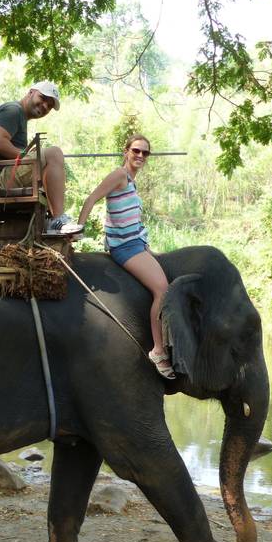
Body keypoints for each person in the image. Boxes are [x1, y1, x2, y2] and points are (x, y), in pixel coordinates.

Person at [74, 134, 175, 379]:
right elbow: (91, 199)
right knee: (162, 289)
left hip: (137, 243)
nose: (140, 156)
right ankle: (158, 350)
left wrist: (147, 247)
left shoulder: (132, 180)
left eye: (145, 153)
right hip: (124, 247)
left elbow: (132, 219)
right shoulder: (119, 175)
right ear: (126, 151)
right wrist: (78, 231)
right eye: (136, 151)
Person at [0, 81, 74, 233]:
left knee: (48, 162)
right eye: (43, 98)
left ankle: (52, 220)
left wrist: (31, 156)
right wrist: (28, 158)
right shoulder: (13, 110)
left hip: (4, 176)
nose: (45, 106)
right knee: (54, 153)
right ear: (31, 92)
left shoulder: (20, 116)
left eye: (49, 106)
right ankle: (58, 219)